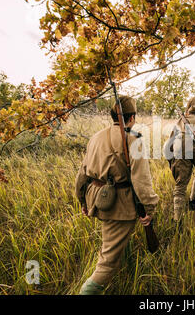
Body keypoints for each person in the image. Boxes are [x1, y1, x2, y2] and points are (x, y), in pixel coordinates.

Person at [74, 96, 159, 295]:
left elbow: (82, 173)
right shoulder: (134, 139)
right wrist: (150, 208)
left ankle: (125, 270)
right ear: (132, 118)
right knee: (107, 262)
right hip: (118, 204)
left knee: (117, 241)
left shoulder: (96, 137)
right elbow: (142, 181)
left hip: (97, 198)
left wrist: (81, 200)